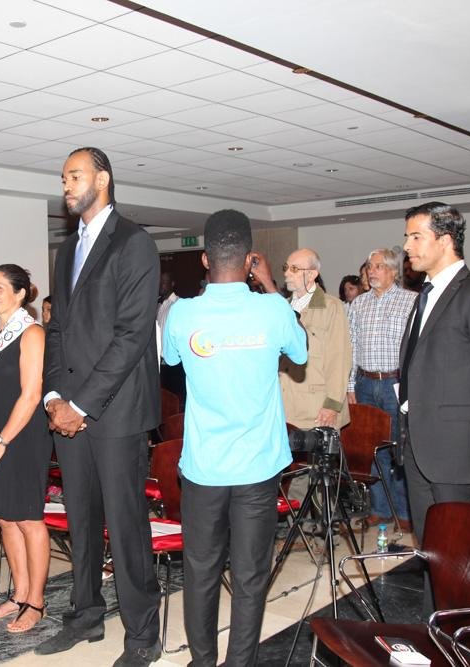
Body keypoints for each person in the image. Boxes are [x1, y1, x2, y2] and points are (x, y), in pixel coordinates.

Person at [163, 210, 307, 667]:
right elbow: (300, 352)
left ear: (205, 259)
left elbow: (169, 358)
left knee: (201, 571)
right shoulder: (272, 308)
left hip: (204, 468)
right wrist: (268, 286)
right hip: (258, 468)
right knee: (250, 575)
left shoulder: (183, 313)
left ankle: (202, 661)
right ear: (250, 259)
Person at [38, 147, 162, 666]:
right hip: (69, 409)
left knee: (125, 523)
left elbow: (132, 335)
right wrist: (53, 397)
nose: (66, 184)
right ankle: (85, 616)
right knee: (81, 520)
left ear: (103, 179)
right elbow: (59, 329)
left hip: (116, 413)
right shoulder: (67, 250)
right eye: (64, 177)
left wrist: (82, 403)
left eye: (75, 175)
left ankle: (143, 638)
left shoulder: (133, 243)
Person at [399, 202, 470, 543]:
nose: (406, 247)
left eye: (416, 237)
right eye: (407, 237)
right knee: (432, 552)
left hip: (461, 457)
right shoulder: (424, 294)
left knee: (463, 557)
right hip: (418, 449)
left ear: (445, 240)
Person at [0, 264, 53, 633]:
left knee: (28, 518)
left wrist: (1, 442)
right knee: (4, 515)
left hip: (21, 438)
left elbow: (32, 394)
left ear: (20, 294)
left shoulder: (32, 333)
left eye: (0, 288)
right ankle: (19, 594)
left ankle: (36, 600)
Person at [346, 248, 417, 530]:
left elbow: (414, 348)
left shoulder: (411, 301)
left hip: (395, 384)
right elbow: (350, 347)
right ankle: (380, 509)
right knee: (371, 449)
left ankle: (404, 512)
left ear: (392, 271)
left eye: (378, 266)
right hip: (365, 383)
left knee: (399, 450)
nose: (371, 271)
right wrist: (350, 385)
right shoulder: (358, 304)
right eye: (369, 266)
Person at [279, 248, 352, 430]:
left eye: (294, 269)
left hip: (317, 409)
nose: (287, 273)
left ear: (312, 274)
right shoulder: (281, 308)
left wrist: (332, 405)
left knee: (314, 459)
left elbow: (340, 359)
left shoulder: (331, 307)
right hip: (285, 406)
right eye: (286, 267)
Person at [156, 271, 185, 408]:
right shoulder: (159, 305)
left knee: (174, 399)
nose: (161, 285)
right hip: (159, 362)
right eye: (160, 282)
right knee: (162, 399)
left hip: (173, 363)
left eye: (165, 282)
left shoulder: (178, 304)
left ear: (172, 284)